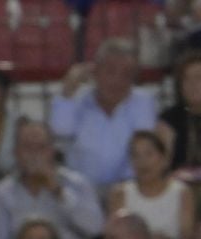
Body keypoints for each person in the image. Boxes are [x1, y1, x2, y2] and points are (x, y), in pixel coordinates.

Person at [0, 119, 105, 239]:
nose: (34, 154)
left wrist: (58, 190)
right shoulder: (1, 193)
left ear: (52, 151)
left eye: (41, 147)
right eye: (27, 147)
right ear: (16, 152)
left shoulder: (78, 183)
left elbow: (95, 228)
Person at [48, 40, 158, 188]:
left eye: (126, 74)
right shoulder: (77, 100)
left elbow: (142, 150)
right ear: (95, 72)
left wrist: (121, 191)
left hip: (128, 188)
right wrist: (68, 89)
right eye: (111, 71)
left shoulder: (143, 102)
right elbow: (60, 130)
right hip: (80, 190)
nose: (117, 80)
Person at [107, 131, 194, 239]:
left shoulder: (182, 192)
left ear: (164, 159)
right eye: (136, 155)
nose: (142, 162)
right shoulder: (120, 193)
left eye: (148, 154)